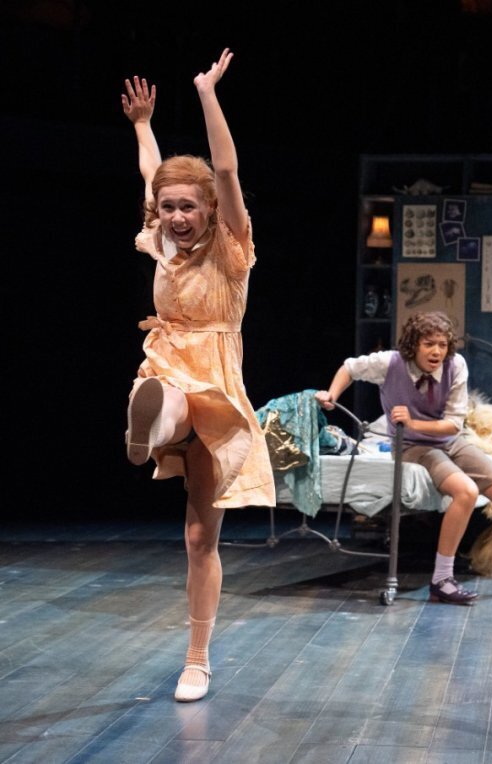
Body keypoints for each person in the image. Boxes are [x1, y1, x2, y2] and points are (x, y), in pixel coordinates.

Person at [121, 49, 274, 703]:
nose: (177, 217)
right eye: (168, 208)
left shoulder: (232, 250)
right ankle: (151, 424)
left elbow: (227, 169)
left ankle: (197, 658)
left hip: (217, 386)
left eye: (189, 207)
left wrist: (206, 92)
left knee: (197, 538)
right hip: (167, 368)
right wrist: (142, 125)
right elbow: (151, 173)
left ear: (210, 210)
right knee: (169, 399)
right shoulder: (162, 239)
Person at [314, 311, 492, 604]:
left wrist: (413, 422)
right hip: (411, 446)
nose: (437, 351)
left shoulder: (456, 365)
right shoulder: (390, 363)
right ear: (413, 345)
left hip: (450, 440)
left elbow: (453, 424)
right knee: (466, 492)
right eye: (429, 344)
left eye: (442, 344)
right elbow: (350, 368)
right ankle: (441, 580)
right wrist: (332, 394)